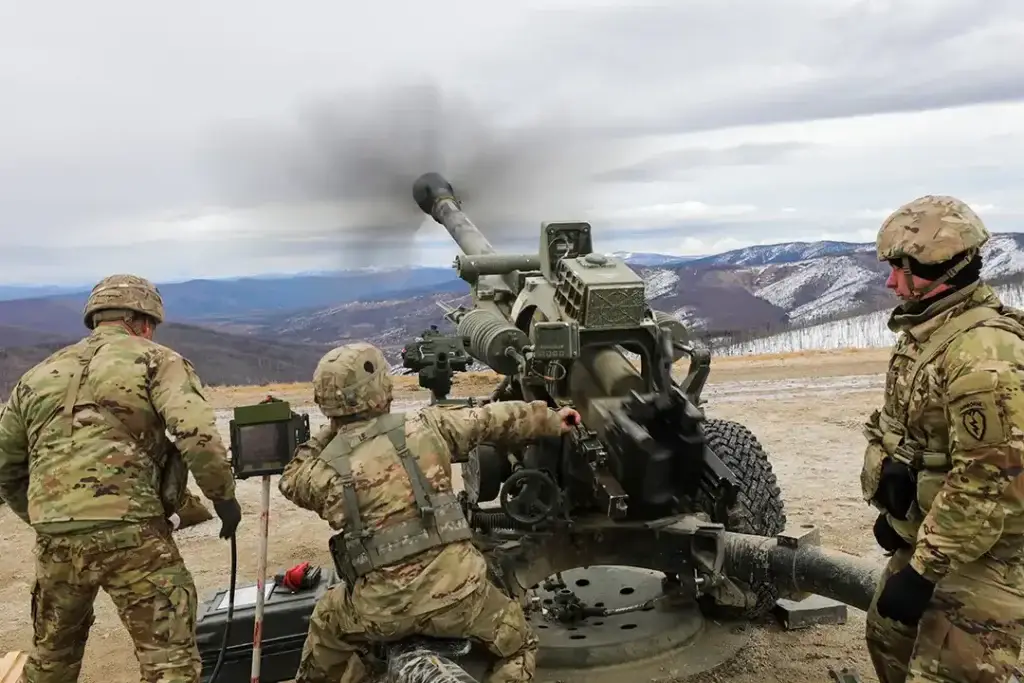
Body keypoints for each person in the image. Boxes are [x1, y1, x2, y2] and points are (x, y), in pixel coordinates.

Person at [278, 341, 582, 683]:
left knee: (327, 621)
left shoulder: (321, 470)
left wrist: (333, 429)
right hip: (462, 599)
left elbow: (290, 479)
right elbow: (492, 420)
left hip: (381, 612)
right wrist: (553, 419)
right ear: (382, 387)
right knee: (521, 647)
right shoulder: (426, 426)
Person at [0, 273, 243, 683]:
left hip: (56, 539)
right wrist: (223, 499)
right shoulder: (157, 360)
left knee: (52, 663)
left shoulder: (36, 376)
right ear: (143, 321)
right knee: (170, 665)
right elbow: (197, 437)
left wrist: (48, 517)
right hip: (134, 536)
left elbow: (6, 468)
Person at [859, 195, 1024, 682]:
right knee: (887, 636)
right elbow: (908, 437)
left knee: (958, 670)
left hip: (985, 556)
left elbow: (991, 482)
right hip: (933, 538)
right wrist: (897, 519)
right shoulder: (928, 331)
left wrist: (924, 569)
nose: (891, 281)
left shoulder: (983, 355)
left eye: (901, 268)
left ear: (941, 267)